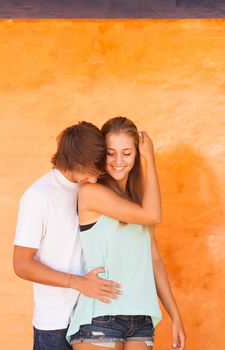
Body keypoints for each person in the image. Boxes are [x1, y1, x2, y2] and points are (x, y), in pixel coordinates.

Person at [66, 117, 186, 350]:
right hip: (101, 315)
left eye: (127, 153)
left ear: (135, 155)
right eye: (111, 153)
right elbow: (154, 215)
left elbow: (154, 260)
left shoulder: (140, 200)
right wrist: (150, 158)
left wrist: (175, 315)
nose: (118, 161)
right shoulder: (92, 192)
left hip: (140, 318)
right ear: (102, 155)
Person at [13, 122, 122, 350]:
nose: (94, 178)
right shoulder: (38, 196)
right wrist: (78, 283)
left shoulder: (92, 189)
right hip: (55, 324)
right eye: (91, 170)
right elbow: (21, 264)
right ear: (75, 161)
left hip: (92, 316)